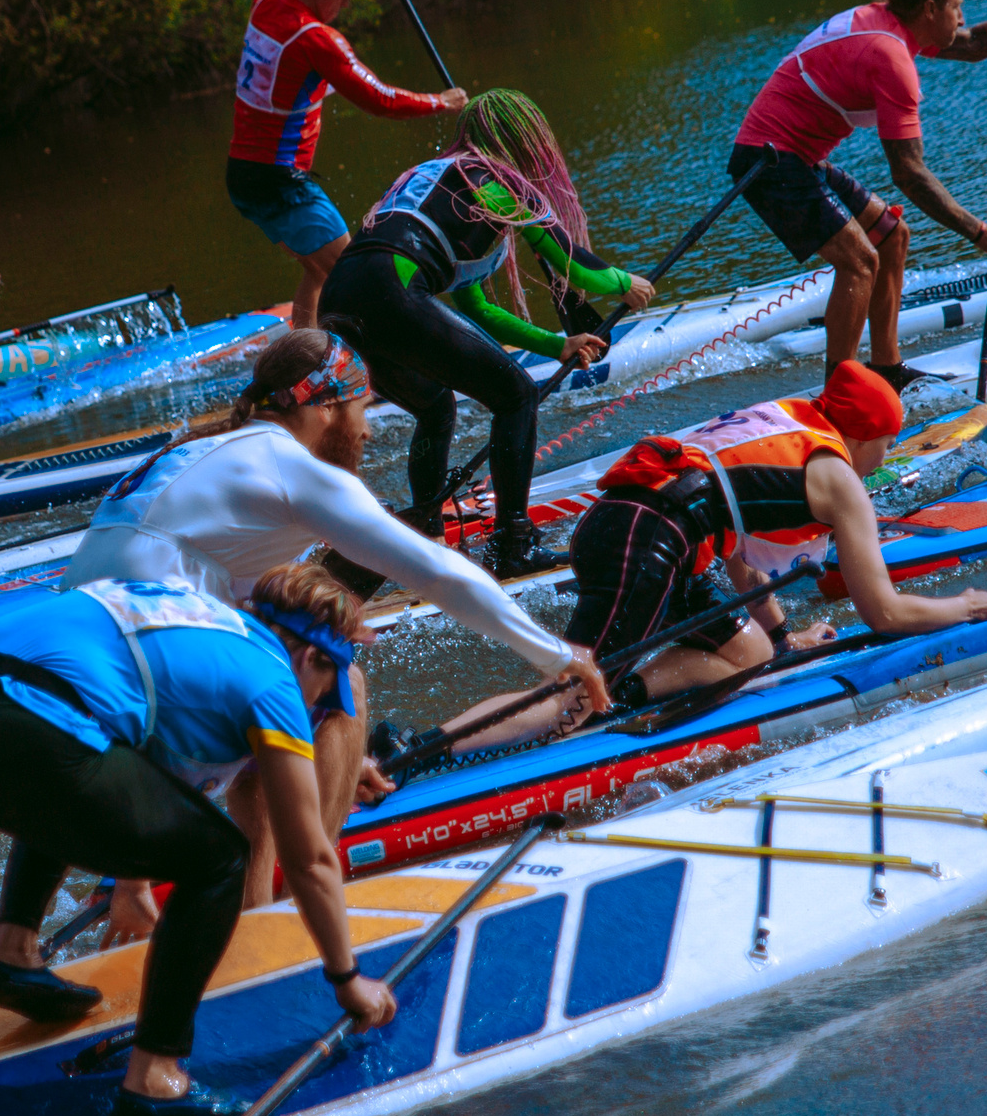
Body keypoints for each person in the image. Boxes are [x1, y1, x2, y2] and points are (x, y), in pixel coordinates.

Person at [68, 327, 610, 907]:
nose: (368, 430)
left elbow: (261, 619)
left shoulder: (198, 453)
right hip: (142, 684)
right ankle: (314, 894)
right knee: (340, 677)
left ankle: (245, 912)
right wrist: (559, 656)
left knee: (295, 685)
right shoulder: (289, 466)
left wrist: (333, 760)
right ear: (326, 407)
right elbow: (438, 572)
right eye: (362, 409)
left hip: (74, 694)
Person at [0, 564, 399, 1116]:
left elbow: (135, 785)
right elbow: (309, 860)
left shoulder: (200, 619)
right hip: (33, 733)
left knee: (70, 766)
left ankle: (12, 954)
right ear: (312, 659)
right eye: (329, 689)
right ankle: (155, 1079)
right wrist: (347, 979)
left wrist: (131, 884)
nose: (320, 707)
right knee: (219, 860)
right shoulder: (274, 677)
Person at [437, 362, 987, 750]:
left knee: (749, 652)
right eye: (888, 444)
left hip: (626, 526)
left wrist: (786, 643)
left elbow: (737, 549)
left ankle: (623, 694)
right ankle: (415, 751)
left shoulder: (787, 416)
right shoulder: (840, 478)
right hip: (647, 539)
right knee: (570, 691)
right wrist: (963, 606)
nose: (885, 456)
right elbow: (883, 614)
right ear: (867, 435)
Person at [319, 88, 650, 576]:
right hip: (391, 289)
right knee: (516, 395)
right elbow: (577, 269)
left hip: (341, 297)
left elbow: (474, 307)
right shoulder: (502, 185)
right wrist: (626, 283)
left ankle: (427, 535)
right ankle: (513, 546)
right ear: (524, 142)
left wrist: (558, 345)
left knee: (435, 405)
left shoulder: (436, 178)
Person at [730, 0, 987, 386]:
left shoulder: (892, 23)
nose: (962, 16)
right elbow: (908, 173)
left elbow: (975, 43)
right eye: (956, 6)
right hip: (768, 161)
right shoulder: (890, 56)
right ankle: (839, 392)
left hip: (798, 156)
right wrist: (978, 232)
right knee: (860, 261)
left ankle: (886, 368)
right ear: (930, 9)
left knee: (891, 237)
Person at [230, 0, 469, 329]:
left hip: (243, 176)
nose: (347, 3)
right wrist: (441, 102)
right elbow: (378, 98)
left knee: (317, 272)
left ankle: (306, 363)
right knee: (357, 275)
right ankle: (389, 368)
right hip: (281, 184)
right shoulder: (316, 40)